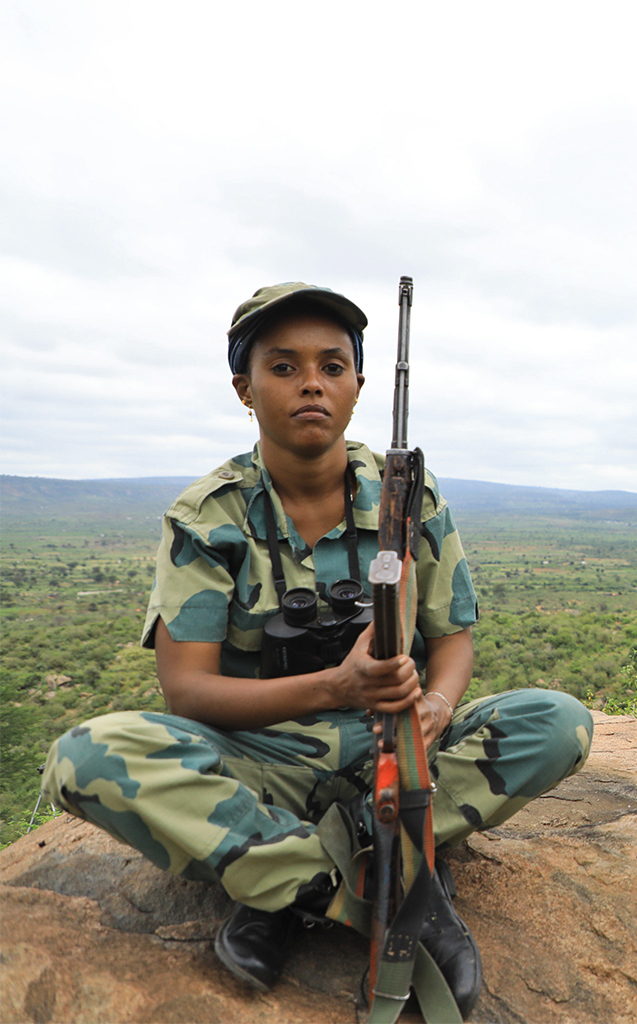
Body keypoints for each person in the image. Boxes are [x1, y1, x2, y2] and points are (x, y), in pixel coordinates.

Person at [42, 282, 594, 1016]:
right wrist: (337, 687)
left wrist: (434, 705)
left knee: (559, 721)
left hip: (396, 747)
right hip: (260, 754)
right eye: (283, 366)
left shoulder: (408, 495)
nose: (311, 382)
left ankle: (272, 873)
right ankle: (369, 886)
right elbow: (189, 694)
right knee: (84, 757)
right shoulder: (209, 517)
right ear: (244, 387)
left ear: (359, 386)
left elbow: (454, 642)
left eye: (333, 366)